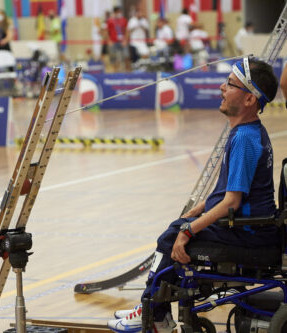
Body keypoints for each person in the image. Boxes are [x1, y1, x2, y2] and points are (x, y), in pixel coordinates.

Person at [107, 57, 278, 333]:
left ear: (249, 99)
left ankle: (154, 313)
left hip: (249, 234)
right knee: (178, 227)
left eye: (230, 84)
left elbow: (232, 202)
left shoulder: (246, 138)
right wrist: (197, 211)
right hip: (248, 227)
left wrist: (188, 230)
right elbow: (228, 192)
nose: (222, 87)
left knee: (173, 235)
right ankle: (152, 307)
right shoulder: (245, 132)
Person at [106, 6, 128, 72]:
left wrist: (125, 40)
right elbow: (107, 31)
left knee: (126, 56)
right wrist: (109, 41)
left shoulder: (124, 20)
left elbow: (127, 30)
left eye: (120, 12)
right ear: (115, 12)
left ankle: (127, 71)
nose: (119, 13)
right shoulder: (110, 20)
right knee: (113, 58)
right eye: (118, 12)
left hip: (122, 41)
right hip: (113, 41)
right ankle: (115, 71)